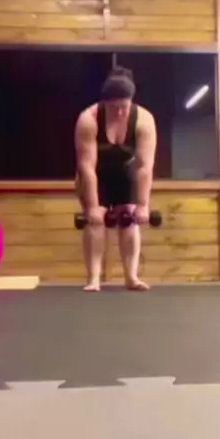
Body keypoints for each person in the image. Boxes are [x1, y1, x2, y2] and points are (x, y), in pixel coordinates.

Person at [74, 67, 157, 292]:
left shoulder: (144, 120)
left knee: (128, 217)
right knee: (95, 221)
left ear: (131, 102)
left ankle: (131, 277)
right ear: (105, 103)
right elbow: (86, 166)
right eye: (114, 107)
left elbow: (144, 166)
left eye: (124, 107)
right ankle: (93, 278)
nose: (119, 112)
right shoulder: (89, 119)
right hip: (96, 173)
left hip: (126, 173)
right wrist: (92, 207)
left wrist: (143, 205)